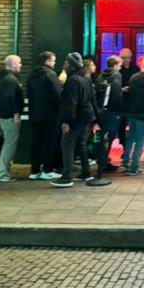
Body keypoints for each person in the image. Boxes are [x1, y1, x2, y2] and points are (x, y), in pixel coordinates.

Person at [50, 52, 99, 188]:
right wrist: (96, 118)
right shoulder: (86, 78)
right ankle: (86, 172)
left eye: (66, 62)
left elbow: (70, 103)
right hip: (87, 116)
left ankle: (66, 176)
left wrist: (66, 121)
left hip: (77, 117)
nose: (64, 64)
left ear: (71, 65)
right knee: (81, 143)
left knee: (67, 144)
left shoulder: (72, 80)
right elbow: (92, 98)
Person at [27, 51, 62, 180]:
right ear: (47, 61)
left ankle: (34, 170)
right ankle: (47, 170)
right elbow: (56, 95)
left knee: (36, 142)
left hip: (35, 114)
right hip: (50, 115)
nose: (54, 63)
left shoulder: (32, 75)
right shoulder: (50, 74)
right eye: (53, 60)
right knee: (49, 142)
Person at [0, 54, 24, 182]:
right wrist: (15, 112)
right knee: (10, 144)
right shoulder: (11, 80)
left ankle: (6, 171)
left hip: (4, 115)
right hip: (9, 117)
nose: (21, 65)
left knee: (9, 143)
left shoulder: (5, 78)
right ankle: (2, 174)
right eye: (19, 63)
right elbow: (9, 98)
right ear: (12, 64)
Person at [95, 55, 124, 164]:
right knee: (110, 136)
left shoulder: (101, 75)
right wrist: (119, 110)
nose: (120, 68)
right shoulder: (116, 75)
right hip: (112, 110)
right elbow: (116, 93)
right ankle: (103, 161)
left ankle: (101, 159)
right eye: (119, 65)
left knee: (103, 136)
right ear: (115, 65)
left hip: (101, 110)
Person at [118, 47, 138, 148]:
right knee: (121, 125)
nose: (126, 60)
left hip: (133, 101)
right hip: (121, 102)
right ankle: (123, 145)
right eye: (124, 58)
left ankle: (130, 145)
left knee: (133, 125)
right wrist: (121, 89)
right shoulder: (117, 70)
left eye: (128, 57)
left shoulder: (136, 69)